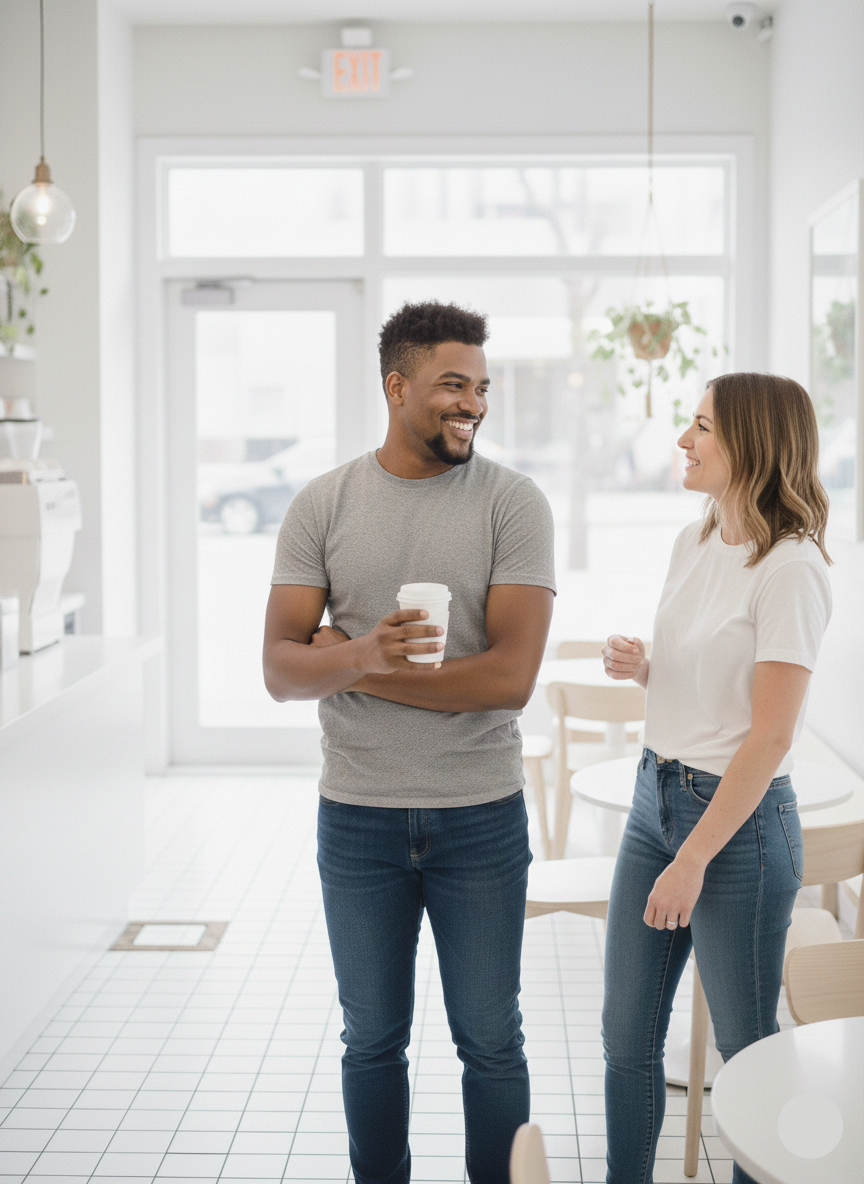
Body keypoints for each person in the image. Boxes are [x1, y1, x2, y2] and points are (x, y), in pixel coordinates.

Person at [262, 300, 556, 1184]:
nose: (474, 403)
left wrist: (353, 665)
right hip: (357, 818)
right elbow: (279, 669)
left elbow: (509, 680)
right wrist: (353, 653)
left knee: (491, 1041)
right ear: (397, 387)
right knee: (372, 1041)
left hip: (481, 816)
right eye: (452, 385)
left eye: (482, 387)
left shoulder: (514, 502)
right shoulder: (323, 504)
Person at [600, 373, 832, 1184]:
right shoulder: (695, 538)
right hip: (651, 797)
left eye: (701, 426)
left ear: (752, 445)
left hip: (735, 831)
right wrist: (649, 671)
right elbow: (719, 690)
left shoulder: (793, 570)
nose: (683, 440)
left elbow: (768, 737)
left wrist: (692, 859)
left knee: (747, 1054)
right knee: (625, 1039)